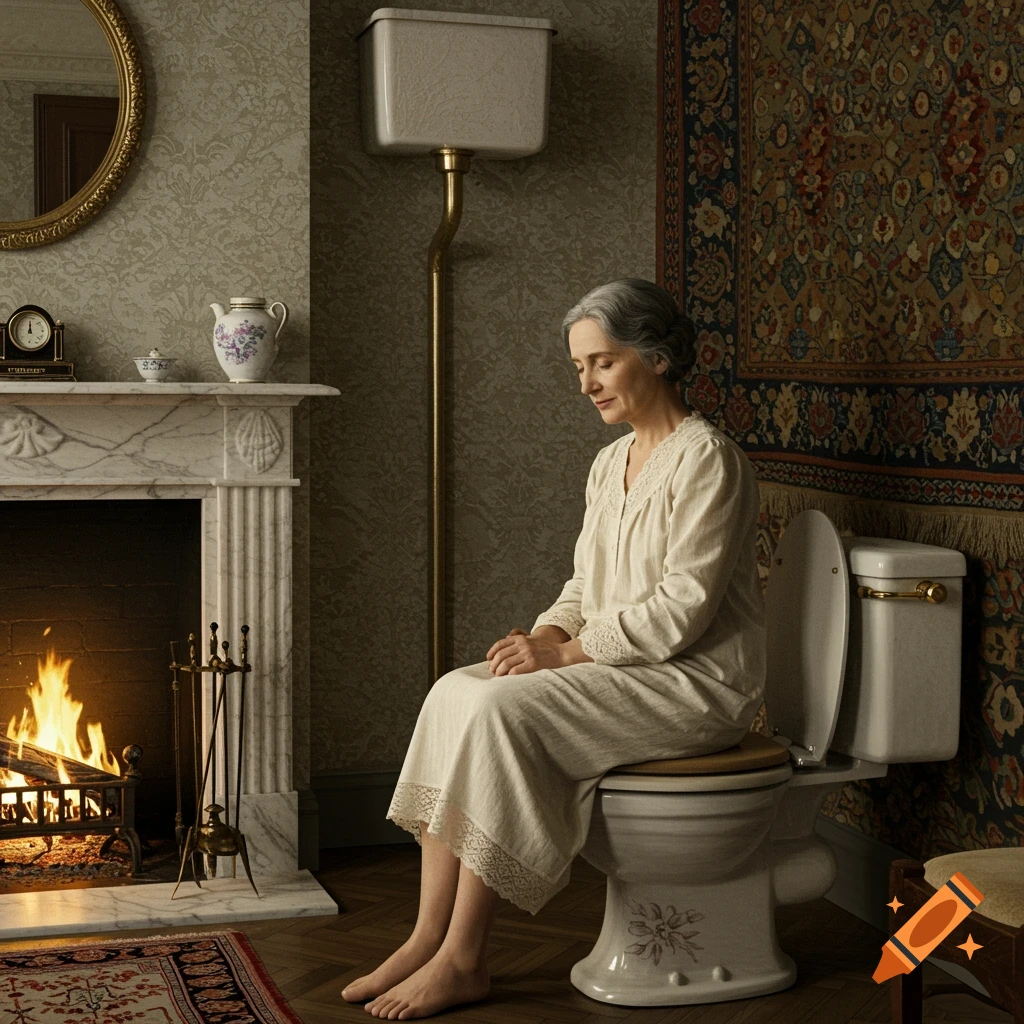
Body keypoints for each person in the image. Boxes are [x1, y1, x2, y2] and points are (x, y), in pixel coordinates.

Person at [341, 278, 766, 1020]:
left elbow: (682, 611)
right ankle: (426, 935)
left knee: (505, 715)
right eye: (578, 368)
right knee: (456, 691)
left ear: (657, 357)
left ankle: (466, 960)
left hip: (694, 683)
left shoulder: (709, 461)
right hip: (622, 664)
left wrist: (565, 658)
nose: (587, 383)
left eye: (601, 362)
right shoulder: (611, 464)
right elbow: (583, 585)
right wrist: (544, 633)